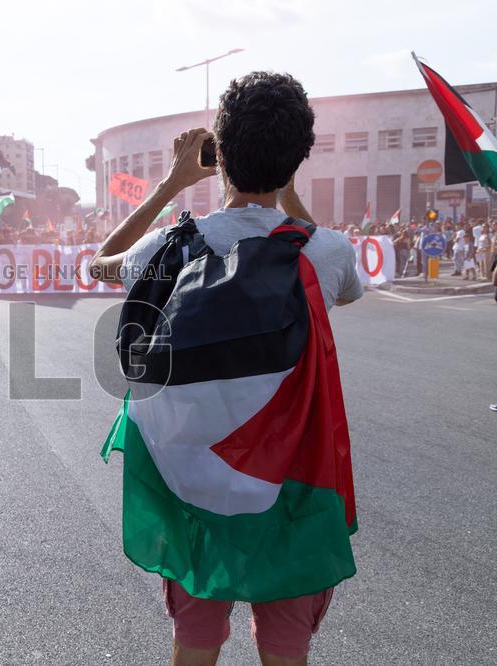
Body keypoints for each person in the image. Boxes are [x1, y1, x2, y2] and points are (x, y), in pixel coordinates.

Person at [90, 71, 363, 666]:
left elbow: (100, 263)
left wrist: (171, 184)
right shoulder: (326, 251)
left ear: (220, 151)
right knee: (286, 644)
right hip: (290, 481)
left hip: (188, 478)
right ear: (297, 160)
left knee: (196, 638)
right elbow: (342, 281)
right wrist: (285, 186)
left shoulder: (168, 246)